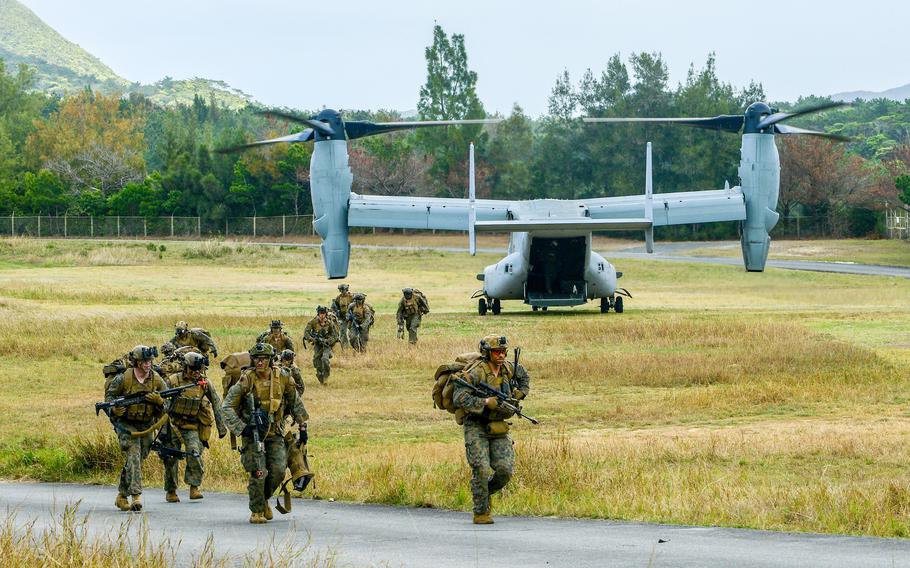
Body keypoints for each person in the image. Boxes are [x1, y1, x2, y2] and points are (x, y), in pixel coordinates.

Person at [222, 343, 308, 524]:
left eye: (264, 358)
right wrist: (241, 427)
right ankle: (257, 510)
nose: (260, 362)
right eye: (257, 358)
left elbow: (295, 402)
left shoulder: (283, 377)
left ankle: (263, 500)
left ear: (270, 360)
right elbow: (227, 406)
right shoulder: (247, 379)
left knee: (277, 470)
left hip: (275, 432)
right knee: (258, 472)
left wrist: (303, 427)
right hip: (253, 434)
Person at [452, 335, 531, 525]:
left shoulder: (509, 368)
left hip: (498, 426)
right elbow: (459, 397)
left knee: (505, 470)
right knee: (480, 467)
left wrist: (521, 393)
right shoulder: (476, 372)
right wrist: (485, 402)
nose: (501, 355)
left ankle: (483, 492)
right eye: (497, 352)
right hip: (476, 424)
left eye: (503, 351)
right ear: (487, 353)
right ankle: (481, 512)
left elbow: (524, 377)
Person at [105, 344, 169, 512]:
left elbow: (169, 401)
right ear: (137, 362)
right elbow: (108, 399)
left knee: (138, 459)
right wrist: (114, 409)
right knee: (133, 455)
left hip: (147, 425)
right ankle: (136, 496)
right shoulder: (123, 379)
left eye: (150, 361)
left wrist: (160, 402)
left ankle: (121, 495)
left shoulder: (156, 379)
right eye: (144, 361)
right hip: (126, 424)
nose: (148, 364)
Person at [162, 352, 228, 503]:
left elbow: (216, 403)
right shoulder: (173, 380)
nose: (196, 372)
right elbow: (162, 403)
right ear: (185, 367)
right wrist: (163, 429)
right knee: (171, 456)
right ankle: (171, 490)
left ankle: (194, 487)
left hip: (191, 424)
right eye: (193, 369)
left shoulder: (204, 383)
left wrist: (221, 427)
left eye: (199, 369)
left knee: (194, 453)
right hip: (173, 423)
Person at [303, 306, 339, 385]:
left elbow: (335, 335)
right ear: (318, 314)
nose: (322, 315)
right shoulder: (313, 322)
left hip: (327, 345)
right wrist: (313, 339)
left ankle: (326, 377)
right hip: (318, 345)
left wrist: (328, 341)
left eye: (323, 314)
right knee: (317, 361)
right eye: (320, 314)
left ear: (326, 314)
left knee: (325, 359)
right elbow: (306, 333)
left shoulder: (330, 323)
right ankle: (320, 376)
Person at [331, 284, 355, 348]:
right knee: (342, 332)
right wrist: (336, 312)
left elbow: (356, 307)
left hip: (352, 318)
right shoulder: (338, 297)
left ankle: (356, 346)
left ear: (346, 290)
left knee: (353, 334)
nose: (342, 291)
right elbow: (333, 307)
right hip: (342, 317)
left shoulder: (351, 297)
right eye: (341, 290)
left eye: (343, 290)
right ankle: (345, 347)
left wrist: (351, 315)